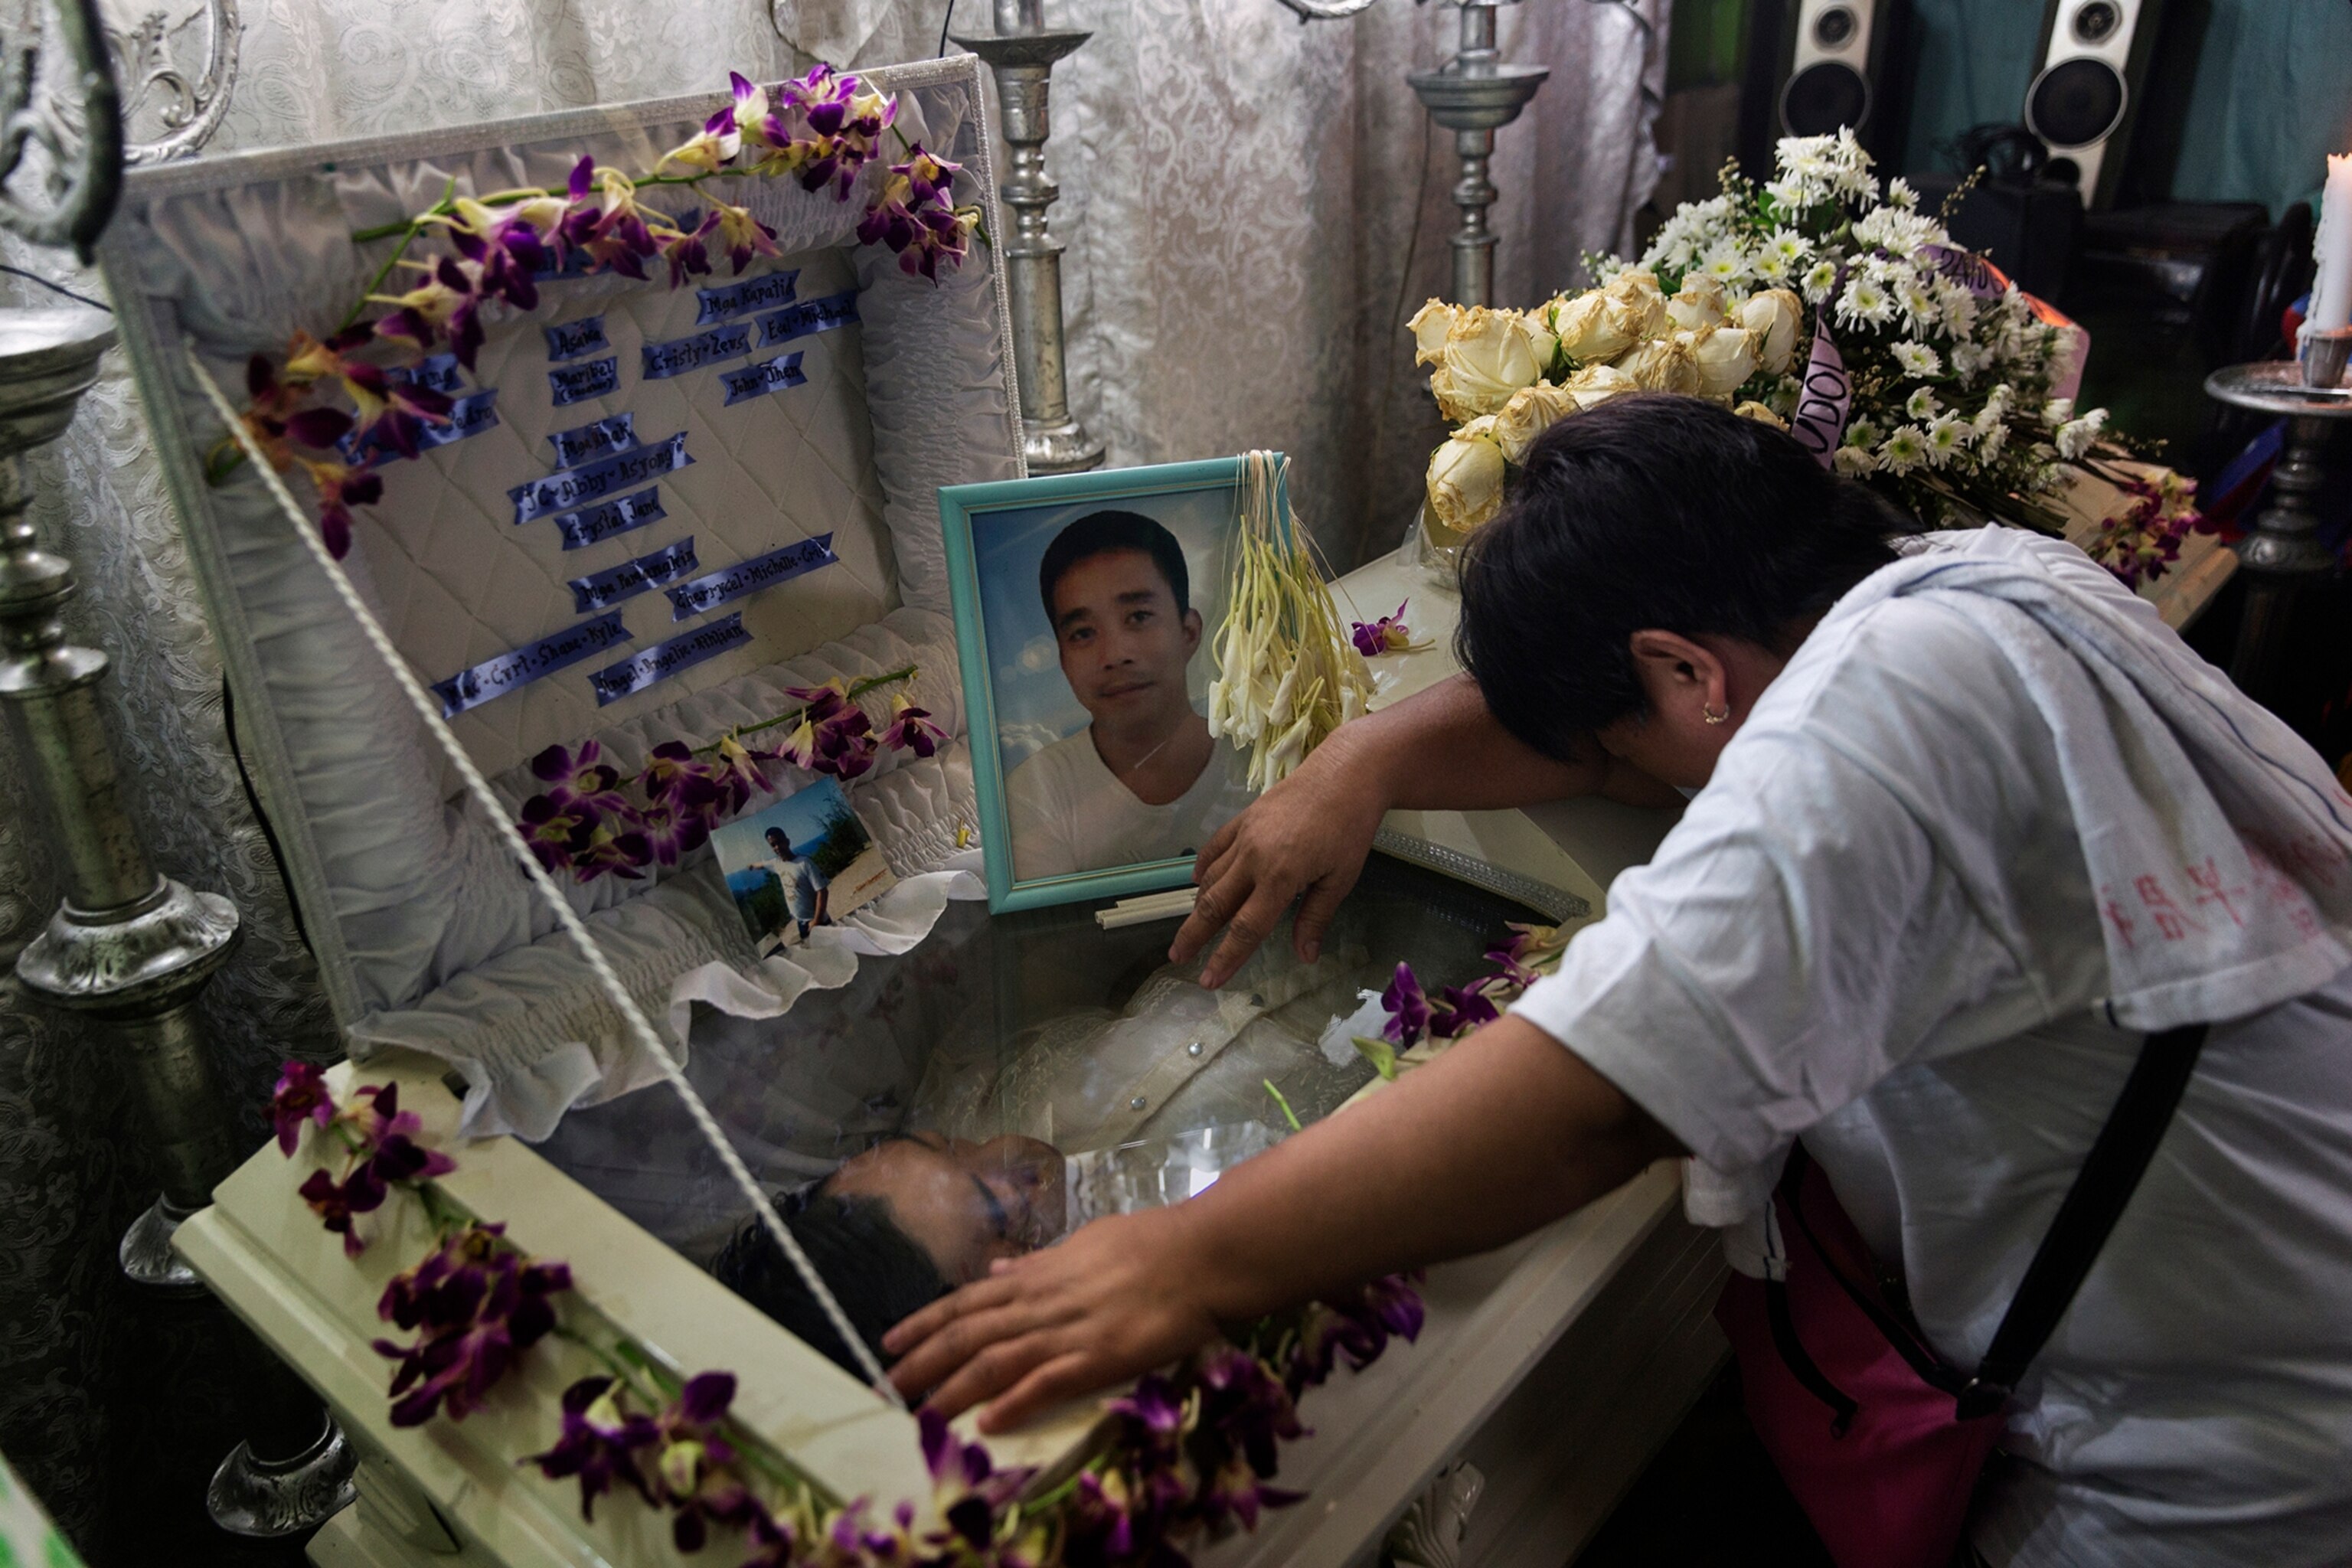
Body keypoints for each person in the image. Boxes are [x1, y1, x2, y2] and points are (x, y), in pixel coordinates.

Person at [881, 396, 2352, 1566]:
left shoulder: (1885, 712)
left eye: (1630, 748)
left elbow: (1596, 1100)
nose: (1635, 787)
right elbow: (1594, 736)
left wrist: (1173, 1262)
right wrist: (1363, 756)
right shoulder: (1974, 584)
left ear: (1686, 672)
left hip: (2226, 1469)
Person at [1003, 510, 1253, 880]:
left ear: (1189, 632)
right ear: (1063, 661)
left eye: (1138, 616)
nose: (1115, 655)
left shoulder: (1259, 760)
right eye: (1083, 633)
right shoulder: (1037, 791)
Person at [752, 825, 829, 944]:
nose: (777, 847)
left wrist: (816, 921)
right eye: (773, 845)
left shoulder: (804, 863)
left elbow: (822, 891)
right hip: (802, 924)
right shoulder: (776, 863)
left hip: (818, 921)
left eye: (779, 842)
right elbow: (762, 864)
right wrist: (750, 866)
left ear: (787, 842)